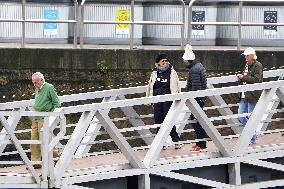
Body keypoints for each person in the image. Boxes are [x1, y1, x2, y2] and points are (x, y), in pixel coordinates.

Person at [146, 52, 182, 149]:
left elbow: (177, 85)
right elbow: (150, 87)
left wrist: (177, 98)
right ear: (158, 62)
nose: (165, 62)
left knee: (169, 121)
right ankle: (161, 143)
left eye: (166, 60)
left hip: (168, 100)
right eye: (163, 61)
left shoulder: (172, 72)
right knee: (158, 121)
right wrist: (150, 99)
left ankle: (176, 141)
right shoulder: (154, 73)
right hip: (157, 100)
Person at [31, 72, 61, 169]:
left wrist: (50, 115)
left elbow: (57, 103)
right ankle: (36, 162)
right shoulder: (37, 88)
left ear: (41, 80)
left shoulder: (49, 87)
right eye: (33, 82)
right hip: (36, 117)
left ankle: (55, 157)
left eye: (36, 82)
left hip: (44, 118)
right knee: (34, 140)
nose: (34, 84)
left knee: (45, 141)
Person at [182, 44, 208, 152]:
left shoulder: (194, 70)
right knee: (196, 120)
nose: (184, 62)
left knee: (194, 120)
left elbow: (196, 88)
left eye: (184, 60)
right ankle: (200, 142)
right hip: (200, 98)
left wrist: (189, 97)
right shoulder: (198, 66)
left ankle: (202, 144)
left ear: (188, 60)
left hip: (197, 99)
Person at [236, 47, 263, 144]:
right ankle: (253, 135)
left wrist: (243, 77)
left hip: (252, 95)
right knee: (241, 116)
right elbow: (247, 78)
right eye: (245, 56)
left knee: (251, 118)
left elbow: (256, 79)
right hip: (244, 94)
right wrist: (241, 78)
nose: (245, 58)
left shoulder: (258, 65)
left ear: (252, 56)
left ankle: (252, 139)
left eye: (247, 56)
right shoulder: (247, 65)